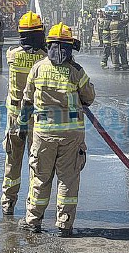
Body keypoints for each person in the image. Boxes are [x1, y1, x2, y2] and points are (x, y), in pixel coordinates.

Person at [18, 22, 95, 237]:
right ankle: (65, 224)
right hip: (71, 137)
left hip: (43, 134)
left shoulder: (38, 68)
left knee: (40, 178)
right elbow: (89, 98)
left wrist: (23, 126)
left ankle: (33, 221)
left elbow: (26, 100)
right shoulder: (76, 72)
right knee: (68, 181)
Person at [1, 12, 47, 215]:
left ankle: (8, 202)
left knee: (13, 160)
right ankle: (32, 205)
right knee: (35, 161)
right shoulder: (46, 59)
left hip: (14, 118)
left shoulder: (12, 55)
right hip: (37, 119)